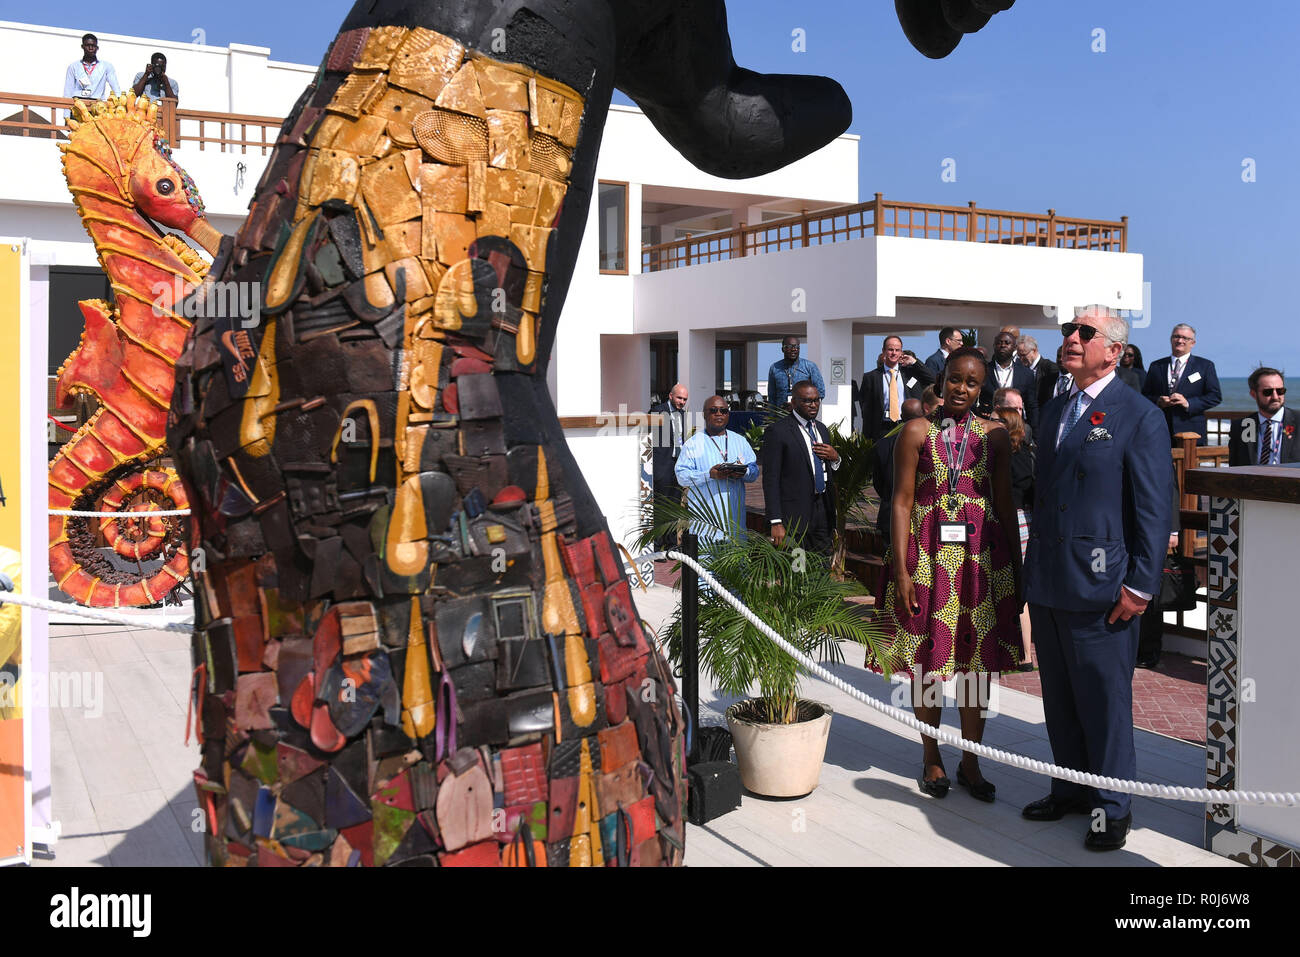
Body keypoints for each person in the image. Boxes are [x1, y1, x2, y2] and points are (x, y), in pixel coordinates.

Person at [1022, 306, 1172, 851]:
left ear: (1113, 350)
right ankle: (1069, 788)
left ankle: (1112, 806)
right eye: (1068, 330)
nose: (1071, 339)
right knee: (1059, 698)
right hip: (1050, 580)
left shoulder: (1139, 414)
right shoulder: (1055, 406)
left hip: (1104, 585)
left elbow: (1155, 511)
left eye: (1085, 332)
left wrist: (1140, 586)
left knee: (1105, 701)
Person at [871, 348, 1022, 802]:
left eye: (972, 383)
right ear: (943, 379)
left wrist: (1016, 569)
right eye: (956, 379)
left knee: (977, 667)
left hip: (979, 561)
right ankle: (931, 756)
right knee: (929, 665)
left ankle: (971, 761)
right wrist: (900, 571)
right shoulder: (915, 431)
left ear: (982, 389)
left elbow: (1004, 506)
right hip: (926, 558)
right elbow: (899, 501)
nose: (962, 388)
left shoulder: (994, 437)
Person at [761, 380, 840, 556]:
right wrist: (775, 521)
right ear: (794, 402)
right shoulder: (778, 431)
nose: (813, 405)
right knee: (798, 569)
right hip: (794, 517)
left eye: (816, 400)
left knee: (821, 567)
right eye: (807, 401)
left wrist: (835, 458)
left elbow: (830, 470)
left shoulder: (822, 430)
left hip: (822, 512)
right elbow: (770, 480)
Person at [674, 396, 758, 543]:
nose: (719, 414)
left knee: (737, 566)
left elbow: (754, 471)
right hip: (705, 528)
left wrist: (743, 472)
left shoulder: (740, 441)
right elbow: (681, 476)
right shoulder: (693, 444)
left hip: (735, 526)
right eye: (713, 410)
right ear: (704, 414)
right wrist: (709, 475)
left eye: (724, 411)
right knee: (705, 566)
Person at [1142, 323, 1222, 446]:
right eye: (1176, 336)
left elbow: (1215, 396)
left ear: (1193, 343)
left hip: (1191, 431)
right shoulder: (1156, 366)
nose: (1180, 340)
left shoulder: (1205, 366)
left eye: (1185, 338)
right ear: (1171, 339)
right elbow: (1144, 396)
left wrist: (1188, 403)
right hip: (1161, 429)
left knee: (1191, 466)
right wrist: (1158, 401)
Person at [1136, 464, 1183, 669]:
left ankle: (1149, 650)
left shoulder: (1156, 444)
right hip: (1128, 530)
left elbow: (1170, 487)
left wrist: (1173, 530)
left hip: (1154, 531)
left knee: (1152, 595)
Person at [860, 335, 934, 443]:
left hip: (907, 425)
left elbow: (932, 379)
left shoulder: (910, 373)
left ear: (901, 352)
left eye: (897, 350)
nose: (894, 353)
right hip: (882, 429)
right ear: (883, 351)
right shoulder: (871, 377)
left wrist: (914, 362)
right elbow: (866, 409)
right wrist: (867, 437)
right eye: (890, 349)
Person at [871, 398, 924, 545]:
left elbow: (877, 482)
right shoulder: (928, 443)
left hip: (890, 514)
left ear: (901, 416)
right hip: (917, 516)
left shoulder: (883, 444)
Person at [1228, 367, 1299, 466]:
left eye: (1280, 391)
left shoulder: (1298, 421)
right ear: (1253, 394)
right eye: (1268, 392)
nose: (1275, 397)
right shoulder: (1244, 426)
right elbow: (1236, 466)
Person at [649, 383, 689, 550]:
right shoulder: (656, 412)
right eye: (679, 398)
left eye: (685, 399)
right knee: (660, 505)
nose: (682, 402)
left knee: (674, 505)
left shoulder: (683, 414)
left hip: (677, 466)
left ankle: (672, 543)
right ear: (671, 396)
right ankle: (657, 546)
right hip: (662, 465)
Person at [980, 330, 1038, 430]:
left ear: (1014, 347)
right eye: (999, 343)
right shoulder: (983, 370)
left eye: (1007, 343)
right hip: (987, 427)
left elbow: (1031, 406)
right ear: (994, 346)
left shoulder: (1026, 374)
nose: (1003, 345)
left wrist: (1036, 434)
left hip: (1015, 429)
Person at [766, 336, 825, 408]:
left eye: (797, 346)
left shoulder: (810, 366)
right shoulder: (774, 368)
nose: (794, 349)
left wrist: (807, 405)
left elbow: (820, 392)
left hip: (803, 414)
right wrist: (772, 416)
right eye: (790, 346)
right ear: (783, 349)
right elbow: (772, 396)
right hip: (781, 413)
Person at [62, 34, 119, 106]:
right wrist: (66, 114)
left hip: (98, 105)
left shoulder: (106, 66)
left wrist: (120, 104)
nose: (91, 48)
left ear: (97, 48)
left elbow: (116, 88)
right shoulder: (73, 66)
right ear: (82, 47)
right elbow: (68, 91)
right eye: (87, 45)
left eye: (93, 46)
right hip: (78, 104)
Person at [1017, 335, 1059, 410]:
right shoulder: (1019, 369)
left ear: (1034, 350)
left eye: (1023, 355)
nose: (1021, 359)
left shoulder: (1051, 369)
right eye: (1019, 356)